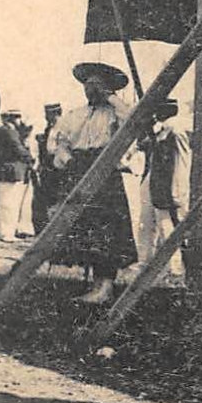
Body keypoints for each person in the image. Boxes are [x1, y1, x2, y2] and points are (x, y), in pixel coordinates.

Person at [50, 62, 139, 304]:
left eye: (97, 85)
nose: (91, 90)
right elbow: (60, 141)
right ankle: (92, 284)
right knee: (85, 228)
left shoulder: (115, 114)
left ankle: (105, 285)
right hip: (78, 170)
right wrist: (65, 157)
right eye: (88, 85)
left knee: (106, 230)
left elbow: (134, 123)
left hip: (104, 173)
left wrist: (112, 99)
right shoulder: (75, 114)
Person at [139, 98, 190, 281]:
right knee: (153, 224)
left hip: (168, 182)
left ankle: (174, 270)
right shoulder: (168, 127)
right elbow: (145, 144)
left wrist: (149, 124)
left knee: (166, 226)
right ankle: (148, 265)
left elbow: (152, 140)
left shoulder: (172, 126)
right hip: (159, 180)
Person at [0, 109, 32, 242]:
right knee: (9, 204)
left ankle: (0, 231)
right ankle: (7, 233)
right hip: (10, 172)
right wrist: (30, 158)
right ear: (14, 119)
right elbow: (18, 149)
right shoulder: (10, 131)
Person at [31, 102, 64, 234]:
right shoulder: (48, 129)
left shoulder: (63, 127)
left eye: (48, 114)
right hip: (47, 168)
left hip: (58, 168)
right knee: (43, 199)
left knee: (55, 200)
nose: (46, 117)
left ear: (56, 113)